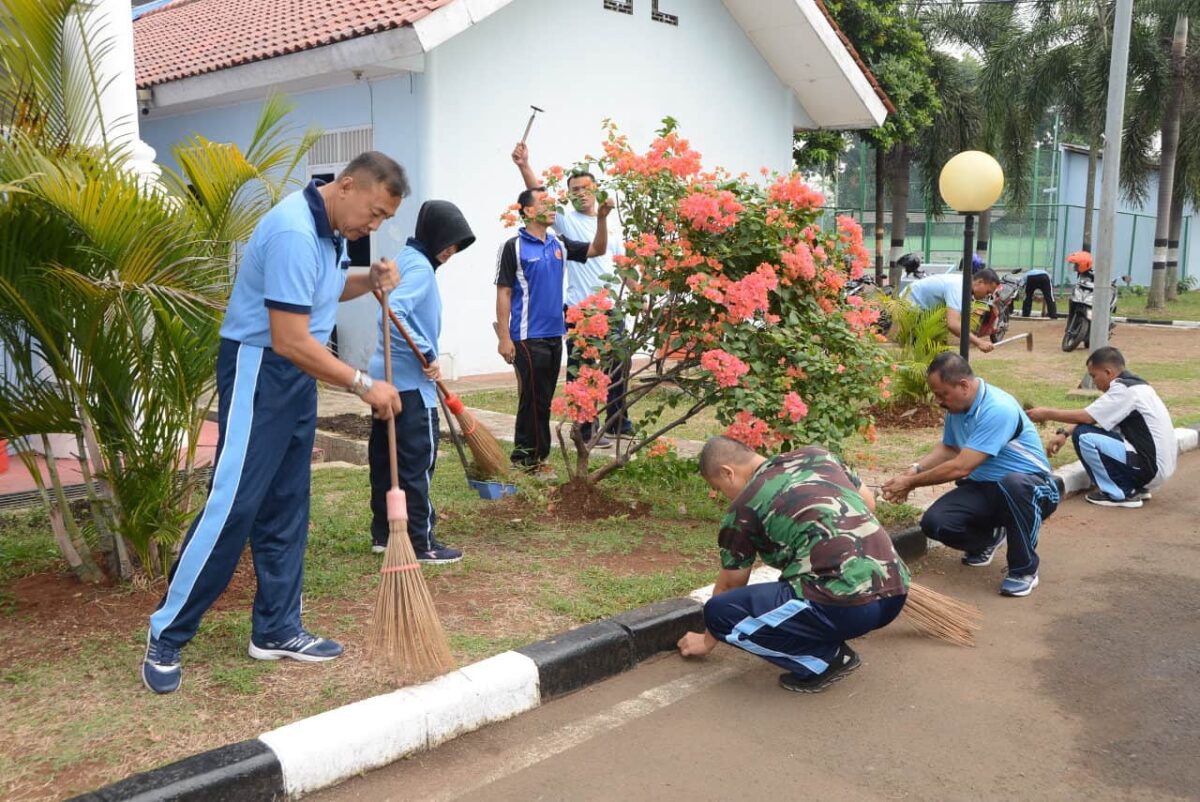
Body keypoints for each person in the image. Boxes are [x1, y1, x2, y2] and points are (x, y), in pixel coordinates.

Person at [142, 153, 408, 694]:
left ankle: (278, 628)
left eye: (383, 220)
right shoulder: (292, 230)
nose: (374, 227)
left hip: (295, 377)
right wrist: (362, 383)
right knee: (233, 504)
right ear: (348, 185)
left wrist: (369, 278)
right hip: (259, 369)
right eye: (374, 213)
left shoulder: (330, 229)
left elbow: (322, 292)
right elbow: (288, 337)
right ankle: (166, 634)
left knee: (287, 501)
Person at [677, 437, 909, 694]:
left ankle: (823, 660)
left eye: (719, 488)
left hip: (845, 609)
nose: (723, 496)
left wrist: (708, 640)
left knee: (720, 612)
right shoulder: (818, 455)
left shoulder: (742, 509)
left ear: (727, 473)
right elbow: (868, 503)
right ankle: (826, 632)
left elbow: (732, 584)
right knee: (789, 588)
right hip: (896, 592)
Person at [882, 353, 1059, 597]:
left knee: (1014, 485)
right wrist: (914, 470)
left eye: (942, 394)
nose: (938, 401)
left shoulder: (998, 409)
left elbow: (961, 466)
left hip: (1033, 487)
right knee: (935, 523)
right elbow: (949, 449)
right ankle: (988, 540)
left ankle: (1023, 570)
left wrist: (911, 484)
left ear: (964, 385)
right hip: (987, 487)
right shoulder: (957, 408)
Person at [367, 200, 476, 561]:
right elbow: (394, 311)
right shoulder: (420, 269)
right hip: (411, 386)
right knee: (416, 463)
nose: (450, 251)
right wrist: (428, 354)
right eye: (448, 241)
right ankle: (421, 541)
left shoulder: (407, 259)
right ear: (433, 233)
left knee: (386, 460)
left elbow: (390, 307)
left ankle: (384, 533)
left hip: (385, 381)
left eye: (456, 246)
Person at [511, 142, 631, 446]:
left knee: (620, 364)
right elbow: (537, 193)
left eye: (584, 187)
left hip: (611, 308)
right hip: (580, 309)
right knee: (582, 371)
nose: (579, 192)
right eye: (573, 188)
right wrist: (525, 165)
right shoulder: (564, 218)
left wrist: (638, 292)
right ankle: (585, 429)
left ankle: (618, 421)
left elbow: (623, 265)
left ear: (595, 188)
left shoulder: (611, 226)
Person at [495, 186, 613, 471]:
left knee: (544, 399)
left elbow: (597, 249)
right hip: (526, 337)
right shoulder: (514, 247)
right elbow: (504, 293)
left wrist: (602, 218)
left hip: (553, 335)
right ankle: (525, 460)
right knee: (532, 400)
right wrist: (504, 337)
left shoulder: (558, 244)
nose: (552, 208)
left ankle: (536, 459)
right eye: (545, 204)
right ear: (528, 211)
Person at [1027, 346, 1176, 508]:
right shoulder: (1136, 386)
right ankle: (1135, 487)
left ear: (1108, 372)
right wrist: (1064, 433)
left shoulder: (1124, 391)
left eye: (1094, 376)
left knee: (1084, 436)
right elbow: (1095, 415)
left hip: (1150, 468)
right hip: (1157, 467)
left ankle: (1120, 492)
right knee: (1094, 430)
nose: (1093, 382)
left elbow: (1087, 417)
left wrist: (1046, 413)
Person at [901, 268, 1001, 352]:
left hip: (924, 309)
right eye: (988, 292)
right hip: (910, 304)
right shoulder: (958, 288)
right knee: (926, 350)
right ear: (980, 282)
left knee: (937, 350)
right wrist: (979, 342)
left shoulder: (964, 285)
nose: (987, 296)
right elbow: (953, 324)